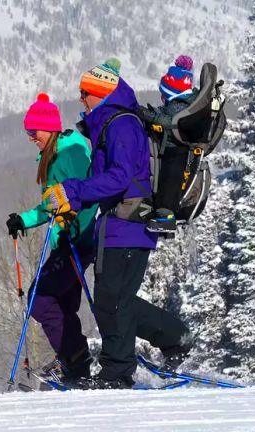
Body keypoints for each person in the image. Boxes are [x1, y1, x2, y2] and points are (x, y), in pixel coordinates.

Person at [42, 58, 192, 389]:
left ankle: (117, 372)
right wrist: (74, 200)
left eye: (84, 93)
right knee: (115, 299)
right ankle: (174, 338)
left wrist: (73, 190)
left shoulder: (121, 124)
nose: (81, 99)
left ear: (100, 93)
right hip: (120, 225)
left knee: (112, 300)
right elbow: (105, 179)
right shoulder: (112, 123)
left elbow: (120, 177)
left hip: (128, 224)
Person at [6, 93, 98, 382]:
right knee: (62, 304)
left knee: (40, 299)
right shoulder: (58, 153)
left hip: (76, 241)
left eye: (34, 131)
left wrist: (75, 218)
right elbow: (51, 205)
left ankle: (75, 361)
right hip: (69, 240)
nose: (31, 137)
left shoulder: (69, 155)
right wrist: (24, 219)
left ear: (51, 128)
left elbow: (89, 192)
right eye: (28, 132)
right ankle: (75, 362)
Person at [139, 55, 199, 233]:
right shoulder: (185, 102)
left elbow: (169, 121)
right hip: (176, 146)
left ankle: (166, 217)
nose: (162, 99)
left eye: (164, 95)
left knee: (168, 181)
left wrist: (147, 115)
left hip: (175, 149)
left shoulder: (178, 106)